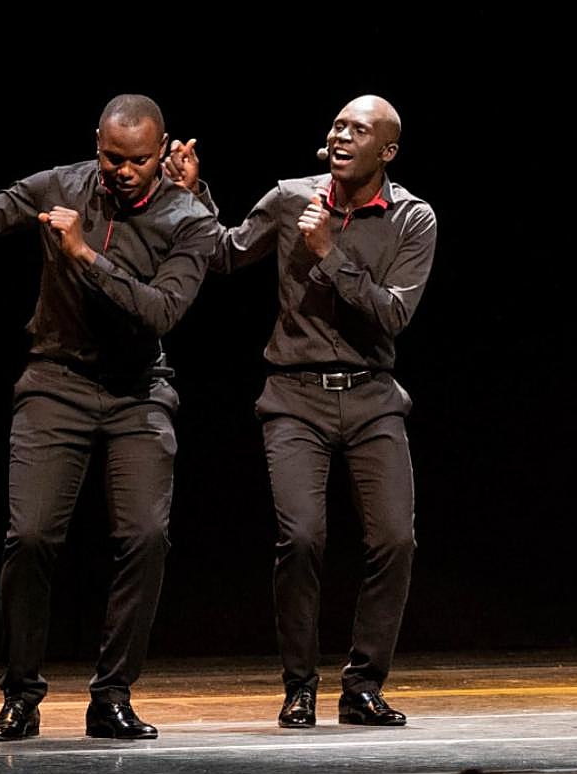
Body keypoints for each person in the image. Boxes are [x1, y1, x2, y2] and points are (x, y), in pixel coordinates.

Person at [165, 95, 436, 728]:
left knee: (395, 540)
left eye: (358, 130)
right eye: (337, 125)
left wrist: (329, 255)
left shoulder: (413, 219)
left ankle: (363, 685)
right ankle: (300, 685)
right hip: (295, 397)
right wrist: (192, 195)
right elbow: (226, 254)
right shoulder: (291, 198)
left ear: (386, 151)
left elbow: (394, 313)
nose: (341, 135)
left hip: (372, 397)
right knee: (302, 537)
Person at [0, 94, 218, 741]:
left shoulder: (187, 217)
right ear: (96, 145)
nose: (123, 171)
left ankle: (111, 695)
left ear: (162, 153)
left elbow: (161, 311)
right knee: (28, 539)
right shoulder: (60, 184)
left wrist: (82, 254)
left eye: (138, 160)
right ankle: (21, 695)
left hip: (139, 391)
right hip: (56, 382)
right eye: (112, 158)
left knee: (145, 536)